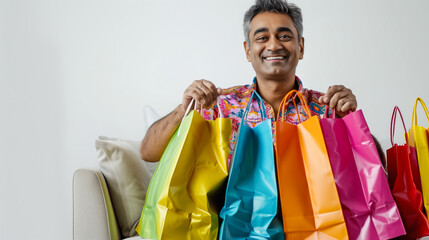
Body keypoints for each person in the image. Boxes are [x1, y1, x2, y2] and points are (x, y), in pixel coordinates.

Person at [140, 0, 358, 164]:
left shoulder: (326, 108)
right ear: (248, 50)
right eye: (262, 38)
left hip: (312, 222)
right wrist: (184, 109)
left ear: (300, 47)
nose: (273, 46)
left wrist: (351, 120)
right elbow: (148, 153)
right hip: (235, 222)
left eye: (284, 36)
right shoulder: (220, 106)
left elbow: (372, 166)